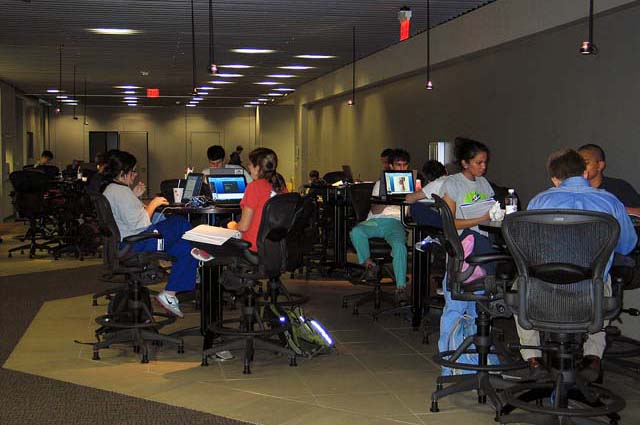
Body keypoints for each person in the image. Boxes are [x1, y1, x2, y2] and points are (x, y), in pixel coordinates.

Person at [518, 148, 637, 380]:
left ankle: (533, 359)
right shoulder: (610, 202)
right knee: (603, 279)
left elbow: (526, 249)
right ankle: (593, 358)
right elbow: (627, 246)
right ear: (584, 172)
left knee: (519, 284)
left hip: (543, 293)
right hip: (590, 295)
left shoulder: (539, 201)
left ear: (555, 178)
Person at [102, 150, 197, 318]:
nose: (135, 174)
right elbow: (141, 223)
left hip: (127, 242)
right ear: (124, 172)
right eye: (133, 171)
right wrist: (153, 204)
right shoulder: (121, 192)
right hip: (137, 243)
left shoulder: (111, 189)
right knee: (180, 222)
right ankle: (196, 265)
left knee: (186, 246)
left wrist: (134, 195)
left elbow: (125, 216)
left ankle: (171, 292)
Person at [350, 148, 410, 303]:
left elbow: (409, 214)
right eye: (398, 165)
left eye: (404, 165)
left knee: (399, 246)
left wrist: (409, 197)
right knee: (356, 232)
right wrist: (388, 197)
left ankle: (401, 287)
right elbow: (375, 209)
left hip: (396, 222)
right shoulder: (380, 183)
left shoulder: (410, 185)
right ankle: (369, 264)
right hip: (377, 220)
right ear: (391, 166)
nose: (401, 168)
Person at [228, 148, 286, 251]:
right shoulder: (281, 186)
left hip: (252, 246)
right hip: (276, 248)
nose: (248, 167)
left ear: (258, 168)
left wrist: (233, 226)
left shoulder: (254, 187)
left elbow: (243, 227)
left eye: (250, 164)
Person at [578, 144, 640, 216]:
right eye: (577, 163)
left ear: (600, 165)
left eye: (585, 163)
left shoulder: (619, 187)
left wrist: (613, 208)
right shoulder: (572, 189)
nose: (580, 167)